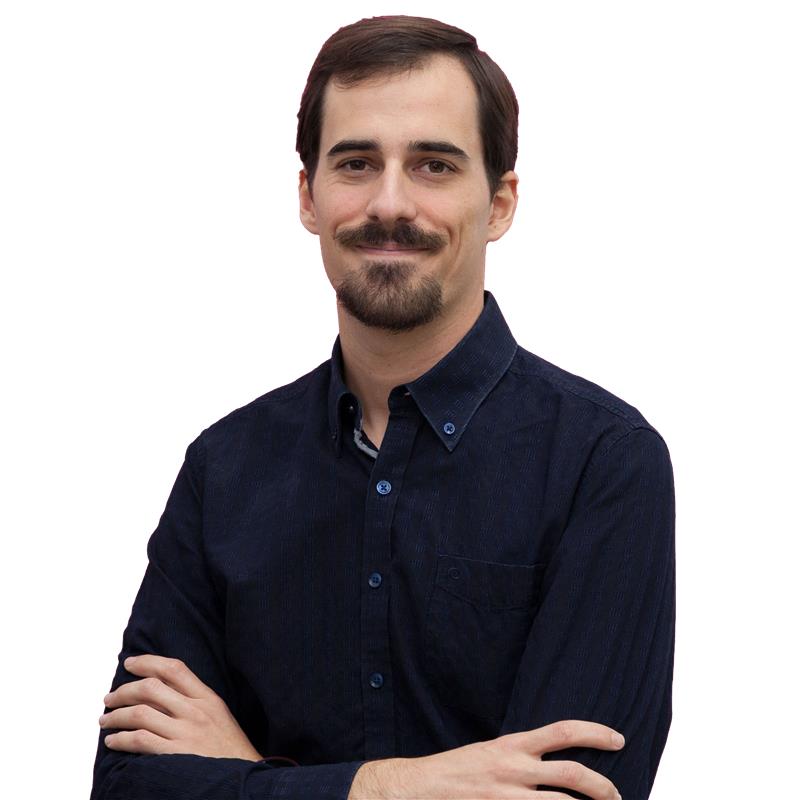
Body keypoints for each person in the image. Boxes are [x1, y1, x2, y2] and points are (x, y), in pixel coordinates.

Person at [91, 15, 675, 800]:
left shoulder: (603, 463)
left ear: (500, 203)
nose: (390, 203)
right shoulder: (223, 470)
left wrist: (246, 773)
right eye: (356, 164)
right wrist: (390, 787)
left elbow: (573, 794)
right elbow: (127, 786)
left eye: (434, 165)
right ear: (308, 196)